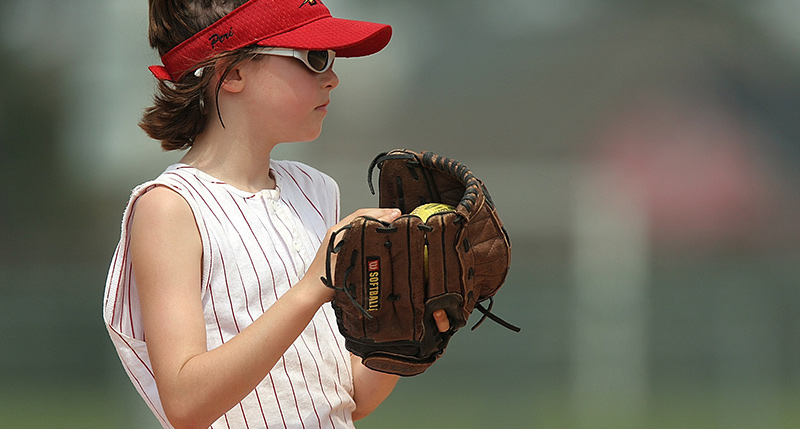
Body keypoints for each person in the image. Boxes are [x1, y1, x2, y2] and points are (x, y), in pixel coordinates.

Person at [101, 0, 450, 428]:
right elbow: (185, 402)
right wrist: (312, 287)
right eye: (314, 58)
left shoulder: (316, 190)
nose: (333, 77)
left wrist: (405, 332)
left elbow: (347, 398)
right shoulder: (170, 206)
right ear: (232, 72)